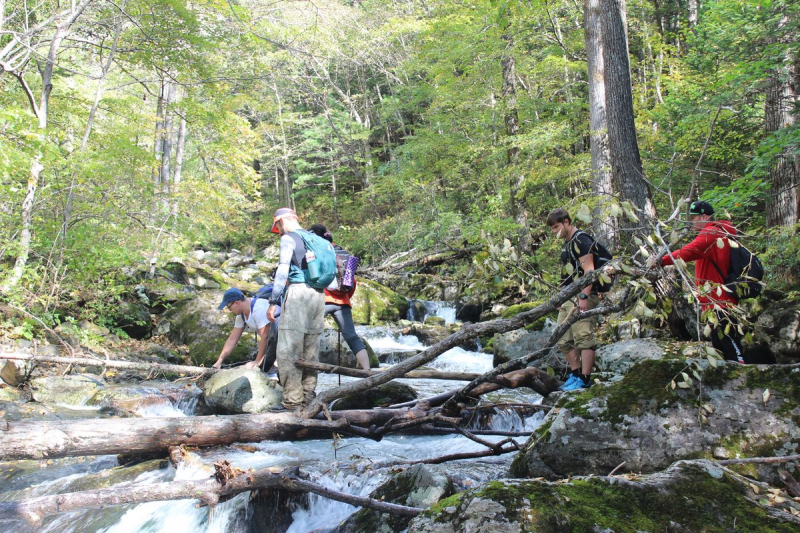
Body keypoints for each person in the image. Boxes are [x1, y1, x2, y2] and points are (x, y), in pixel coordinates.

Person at [649, 201, 748, 364]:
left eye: (694, 218)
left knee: (731, 346)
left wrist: (661, 260)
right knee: (720, 346)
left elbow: (688, 251)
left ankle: (746, 378)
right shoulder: (719, 232)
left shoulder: (711, 233)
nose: (691, 221)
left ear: (704, 216)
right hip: (715, 301)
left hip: (720, 302)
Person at [268, 207, 337, 412]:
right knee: (311, 349)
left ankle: (291, 402)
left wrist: (273, 301)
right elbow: (333, 279)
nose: (278, 230)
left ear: (283, 221)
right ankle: (308, 398)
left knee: (288, 349)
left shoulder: (289, 239)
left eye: (277, 225)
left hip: (298, 292)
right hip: (318, 295)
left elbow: (282, 271)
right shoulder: (321, 241)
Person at [546, 208, 603, 391]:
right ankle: (575, 374)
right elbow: (570, 275)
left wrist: (584, 297)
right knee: (562, 336)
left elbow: (590, 271)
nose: (555, 231)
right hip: (570, 295)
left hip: (586, 293)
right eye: (552, 229)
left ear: (567, 222)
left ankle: (585, 380)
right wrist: (564, 297)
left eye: (556, 227)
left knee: (583, 336)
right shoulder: (567, 243)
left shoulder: (581, 240)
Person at [308, 223, 371, 371]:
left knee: (308, 332)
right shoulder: (344, 253)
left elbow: (313, 276)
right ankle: (368, 370)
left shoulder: (317, 251)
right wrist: (345, 297)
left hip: (323, 299)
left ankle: (306, 366)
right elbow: (351, 282)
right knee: (352, 336)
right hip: (343, 302)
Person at [213, 287, 279, 374]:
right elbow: (232, 339)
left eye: (229, 307)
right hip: (273, 339)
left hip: (282, 335)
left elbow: (265, 336)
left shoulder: (258, 308)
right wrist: (219, 361)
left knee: (263, 367)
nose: (230, 311)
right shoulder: (241, 315)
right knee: (263, 366)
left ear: (236, 302)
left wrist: (257, 361)